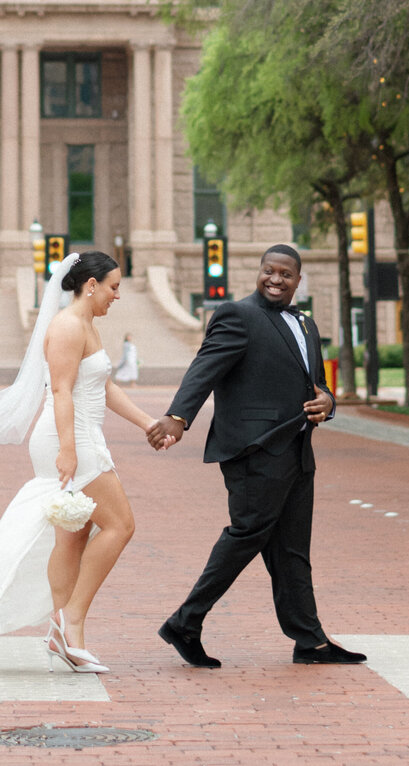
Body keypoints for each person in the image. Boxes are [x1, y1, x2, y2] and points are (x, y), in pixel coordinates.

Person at [0, 251, 168, 673]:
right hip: (71, 437)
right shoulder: (67, 326)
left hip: (80, 434)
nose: (116, 296)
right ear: (91, 285)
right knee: (120, 524)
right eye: (113, 287)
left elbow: (101, 386)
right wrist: (68, 449)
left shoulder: (88, 326)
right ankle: (70, 620)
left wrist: (146, 423)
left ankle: (66, 635)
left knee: (74, 534)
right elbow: (62, 392)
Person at [146, 244, 367, 669]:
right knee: (247, 534)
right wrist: (178, 416)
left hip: (298, 451)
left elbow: (317, 385)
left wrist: (328, 403)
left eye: (286, 274)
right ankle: (185, 623)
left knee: (292, 550)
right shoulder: (237, 314)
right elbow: (204, 368)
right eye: (269, 271)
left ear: (298, 281)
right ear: (259, 272)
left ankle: (310, 641)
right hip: (254, 450)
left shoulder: (306, 323)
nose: (276, 279)